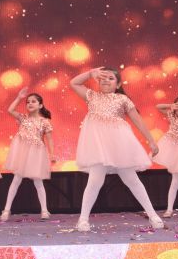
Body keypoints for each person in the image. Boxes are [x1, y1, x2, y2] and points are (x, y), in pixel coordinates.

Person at [70, 67, 163, 232]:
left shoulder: (122, 99)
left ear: (118, 84)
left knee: (132, 180)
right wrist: (90, 74)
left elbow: (138, 120)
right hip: (99, 147)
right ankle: (83, 219)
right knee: (94, 181)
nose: (106, 80)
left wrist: (151, 141)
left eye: (111, 78)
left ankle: (153, 215)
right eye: (103, 78)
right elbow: (74, 83)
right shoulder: (92, 96)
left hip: (119, 145)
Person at [1, 90, 54, 221]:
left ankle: (44, 210)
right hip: (23, 152)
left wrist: (52, 154)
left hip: (36, 152)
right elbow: (10, 110)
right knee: (16, 180)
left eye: (33, 101)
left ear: (40, 105)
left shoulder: (44, 122)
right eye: (28, 102)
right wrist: (19, 97)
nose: (30, 103)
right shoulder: (23, 118)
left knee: (38, 181)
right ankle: (6, 210)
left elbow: (49, 139)